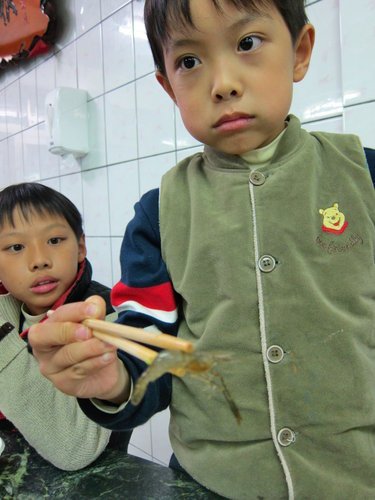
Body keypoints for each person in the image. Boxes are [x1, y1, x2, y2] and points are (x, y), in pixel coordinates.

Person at [29, 0, 375, 497]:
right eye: (189, 62)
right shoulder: (157, 216)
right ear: (168, 86)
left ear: (300, 52)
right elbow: (145, 352)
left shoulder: (364, 177)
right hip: (209, 484)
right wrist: (109, 379)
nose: (223, 83)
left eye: (247, 43)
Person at [0, 182, 130, 471]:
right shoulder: (13, 309)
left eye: (55, 240)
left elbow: (74, 450)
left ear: (81, 246)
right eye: (16, 247)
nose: (40, 261)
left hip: (95, 480)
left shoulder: (106, 315)